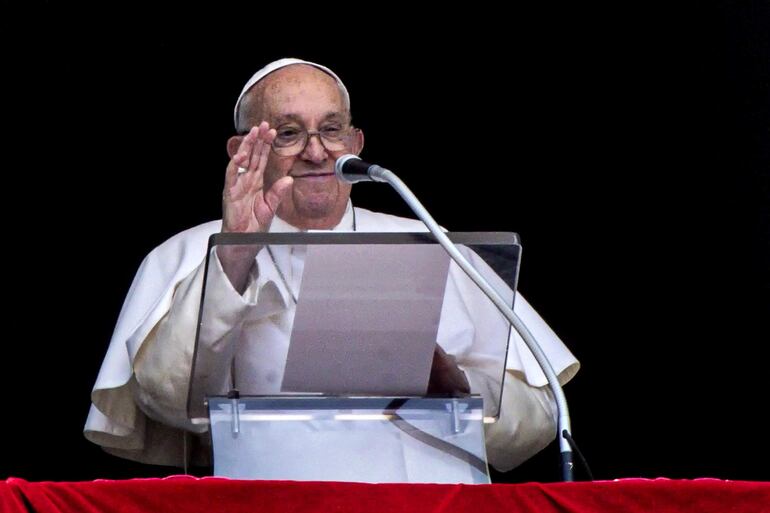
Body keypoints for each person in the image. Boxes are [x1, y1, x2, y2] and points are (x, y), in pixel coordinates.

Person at [84, 58, 580, 474]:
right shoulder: (188, 254)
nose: (317, 151)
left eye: (331, 129)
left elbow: (540, 414)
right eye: (288, 133)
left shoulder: (439, 247)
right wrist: (234, 252)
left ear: (357, 143)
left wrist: (460, 392)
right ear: (242, 151)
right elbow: (169, 401)